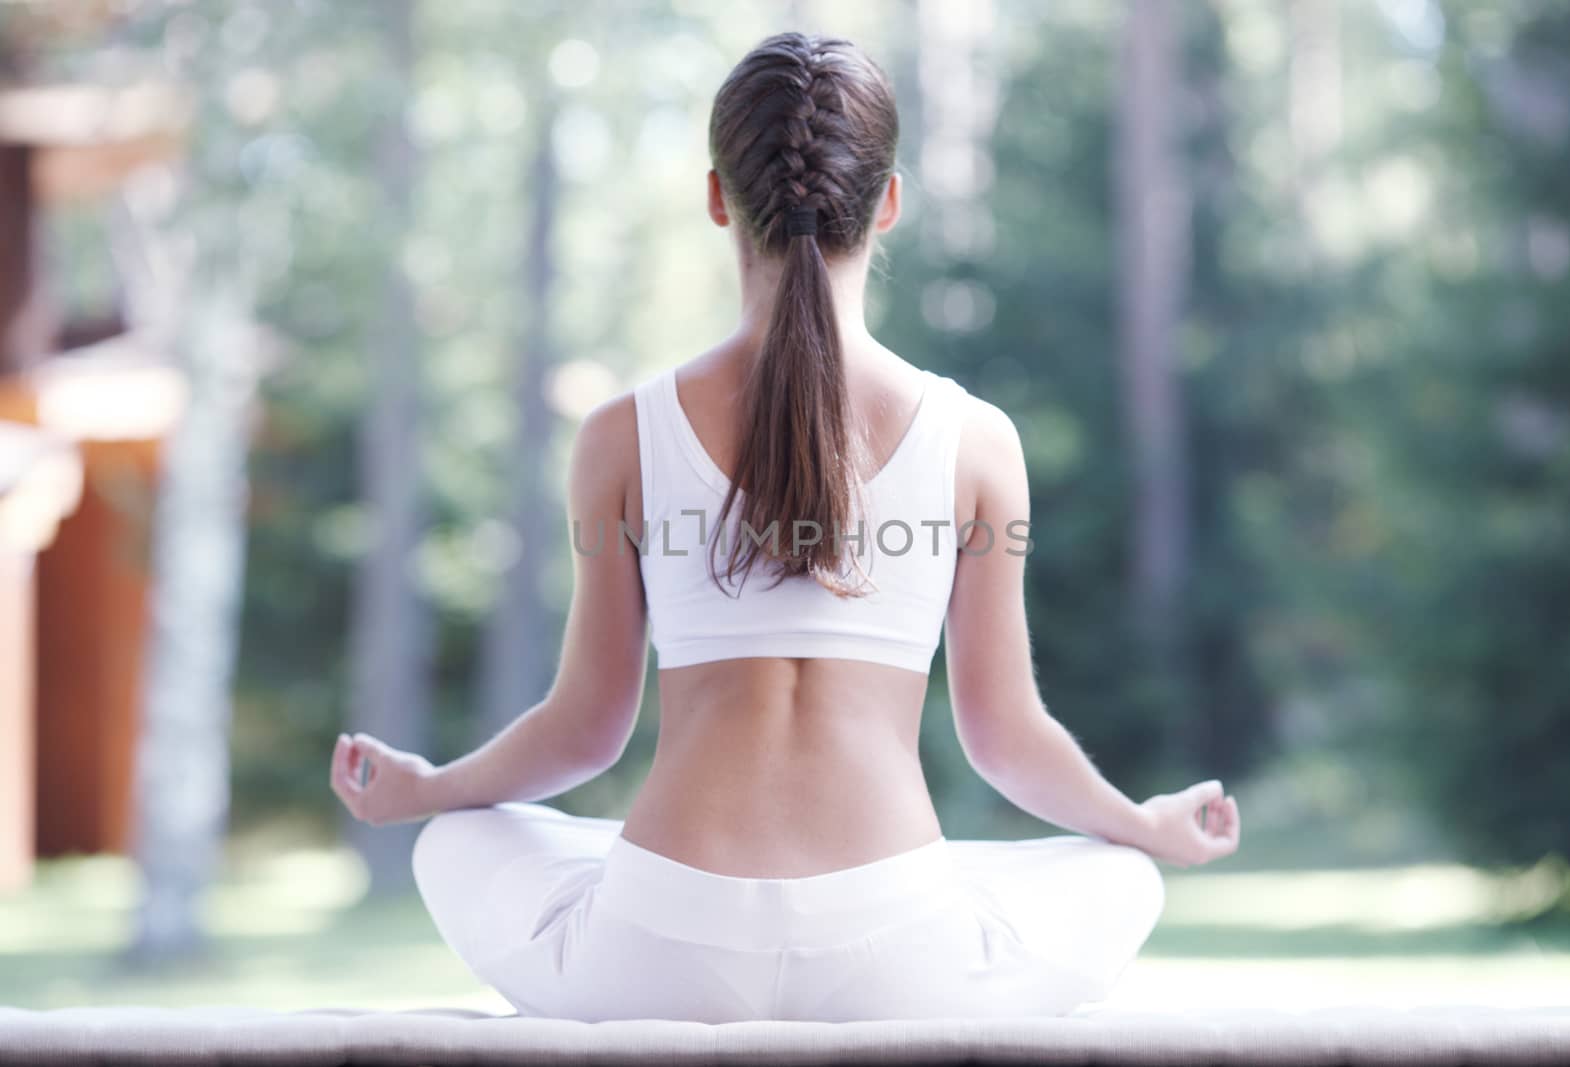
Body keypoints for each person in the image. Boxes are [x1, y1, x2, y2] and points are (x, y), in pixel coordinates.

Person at [330, 29, 1240, 1023]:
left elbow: (586, 728)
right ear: (886, 201)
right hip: (899, 957)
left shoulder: (618, 436)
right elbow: (1003, 736)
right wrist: (1141, 821)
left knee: (457, 838)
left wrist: (429, 786)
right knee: (1118, 874)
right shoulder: (976, 440)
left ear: (718, 195)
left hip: (657, 954)